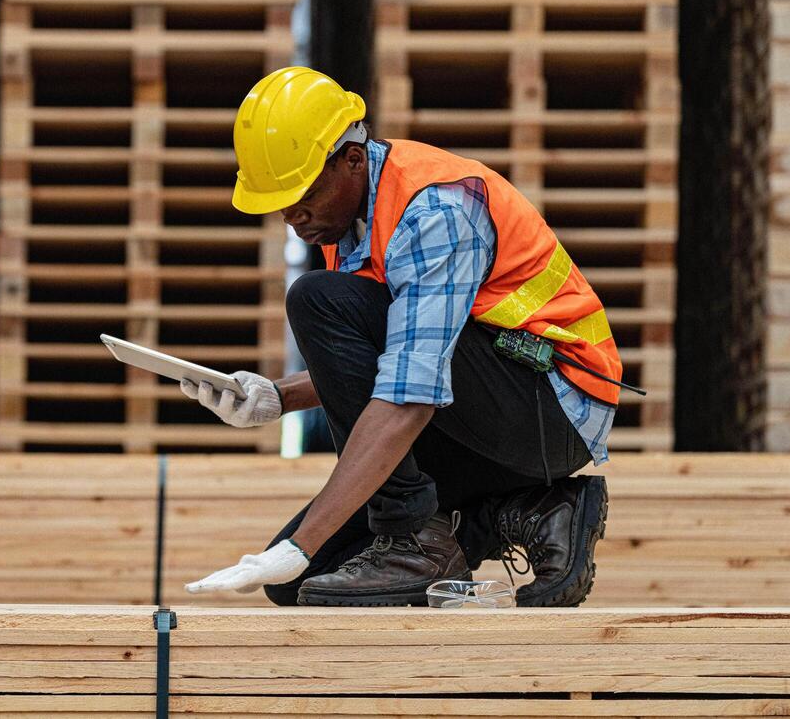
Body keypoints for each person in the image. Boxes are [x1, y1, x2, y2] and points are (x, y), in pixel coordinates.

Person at [182, 67, 620, 607]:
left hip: (549, 408)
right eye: (281, 204)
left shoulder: (434, 209)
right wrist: (278, 398)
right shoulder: (347, 218)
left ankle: (414, 540)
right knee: (298, 582)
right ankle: (531, 514)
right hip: (481, 415)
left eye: (304, 194)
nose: (295, 217)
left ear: (351, 159)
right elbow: (395, 351)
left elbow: (412, 390)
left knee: (315, 298)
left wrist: (302, 539)